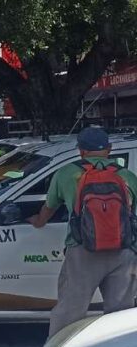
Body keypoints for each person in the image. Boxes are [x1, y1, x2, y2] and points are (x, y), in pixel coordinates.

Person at [28, 127, 137, 336]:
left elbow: (48, 208)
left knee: (70, 312)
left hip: (82, 250)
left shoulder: (67, 174)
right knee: (120, 316)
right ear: (109, 149)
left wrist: (38, 221)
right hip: (123, 250)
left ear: (81, 151)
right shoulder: (127, 176)